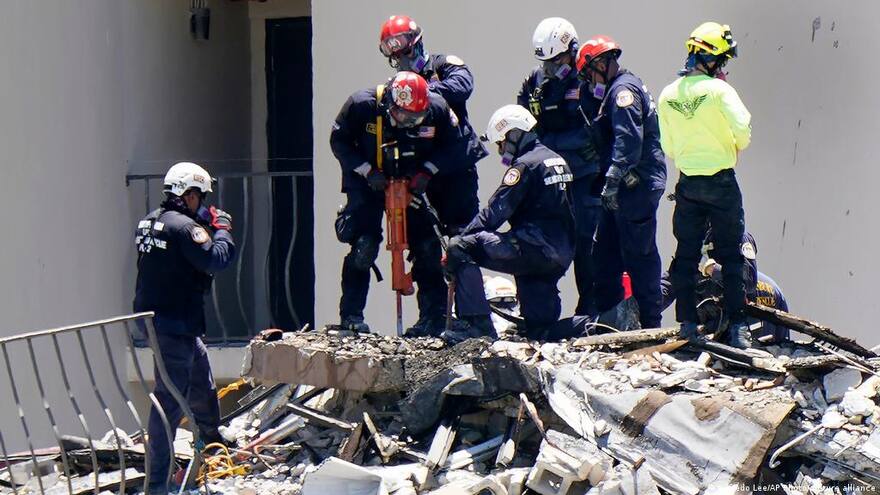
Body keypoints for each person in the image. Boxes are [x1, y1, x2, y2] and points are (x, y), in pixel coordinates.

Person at [330, 71, 491, 335]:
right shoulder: (361, 105)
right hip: (369, 181)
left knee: (426, 247)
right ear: (389, 104)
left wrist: (428, 171)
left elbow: (456, 147)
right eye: (403, 117)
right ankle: (351, 316)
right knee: (364, 245)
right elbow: (339, 141)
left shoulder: (438, 107)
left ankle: (433, 318)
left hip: (414, 181)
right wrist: (366, 170)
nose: (408, 123)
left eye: (415, 118)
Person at [379, 15, 490, 335]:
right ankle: (432, 316)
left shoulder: (445, 65)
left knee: (462, 240)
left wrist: (418, 89)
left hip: (455, 171)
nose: (401, 62)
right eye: (395, 58)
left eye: (404, 53)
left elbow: (463, 86)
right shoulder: (397, 90)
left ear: (417, 44)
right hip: (421, 178)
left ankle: (474, 319)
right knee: (423, 245)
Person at [133, 162, 236, 494]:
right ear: (189, 195)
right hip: (174, 323)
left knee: (201, 376)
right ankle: (157, 485)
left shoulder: (151, 221)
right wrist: (221, 229)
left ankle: (210, 436)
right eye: (201, 197)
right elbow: (216, 259)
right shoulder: (185, 229)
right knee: (168, 403)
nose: (203, 203)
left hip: (166, 321)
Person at [443, 104, 575, 342]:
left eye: (501, 143)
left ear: (514, 134)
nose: (501, 150)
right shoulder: (557, 160)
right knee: (540, 332)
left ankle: (477, 325)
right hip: (558, 255)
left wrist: (460, 240)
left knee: (461, 248)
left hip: (534, 250)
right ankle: (601, 322)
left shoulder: (524, 166)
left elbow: (494, 214)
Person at [657, 22, 753, 347]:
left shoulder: (668, 95)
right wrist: (729, 144)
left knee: (685, 255)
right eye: (722, 60)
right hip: (721, 183)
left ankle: (687, 324)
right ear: (711, 58)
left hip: (688, 185)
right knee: (731, 255)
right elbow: (743, 129)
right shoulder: (720, 91)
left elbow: (668, 147)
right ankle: (739, 328)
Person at [575, 35, 667, 329]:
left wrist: (613, 179)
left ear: (601, 64)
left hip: (634, 185)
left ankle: (650, 324)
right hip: (620, 187)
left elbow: (629, 142)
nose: (589, 81)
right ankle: (611, 321)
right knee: (604, 256)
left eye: (589, 74)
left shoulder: (622, 93)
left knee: (639, 256)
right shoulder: (611, 92)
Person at [517, 17, 603, 316]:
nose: (551, 68)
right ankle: (541, 312)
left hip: (584, 176)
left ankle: (590, 308)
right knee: (545, 240)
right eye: (546, 62)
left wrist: (547, 143)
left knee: (586, 243)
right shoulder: (536, 83)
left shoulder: (588, 80)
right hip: (551, 180)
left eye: (557, 60)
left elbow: (591, 130)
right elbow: (523, 123)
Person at [660, 231, 790, 342]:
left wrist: (712, 268)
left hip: (763, 301)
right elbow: (668, 285)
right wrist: (643, 303)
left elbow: (749, 280)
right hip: (715, 316)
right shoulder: (690, 238)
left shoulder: (735, 234)